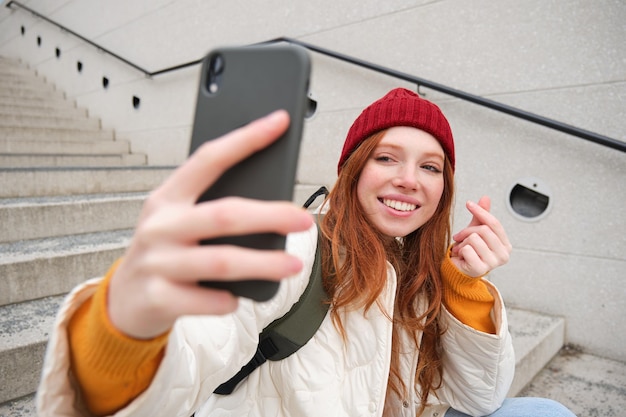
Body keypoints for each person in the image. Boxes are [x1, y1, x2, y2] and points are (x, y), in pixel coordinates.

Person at [36, 88, 576, 417]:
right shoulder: (299, 243)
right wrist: (125, 326)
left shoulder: (423, 271)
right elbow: (197, 351)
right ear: (352, 171)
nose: (409, 180)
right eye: (387, 158)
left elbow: (480, 400)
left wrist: (465, 288)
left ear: (444, 189)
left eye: (430, 167)